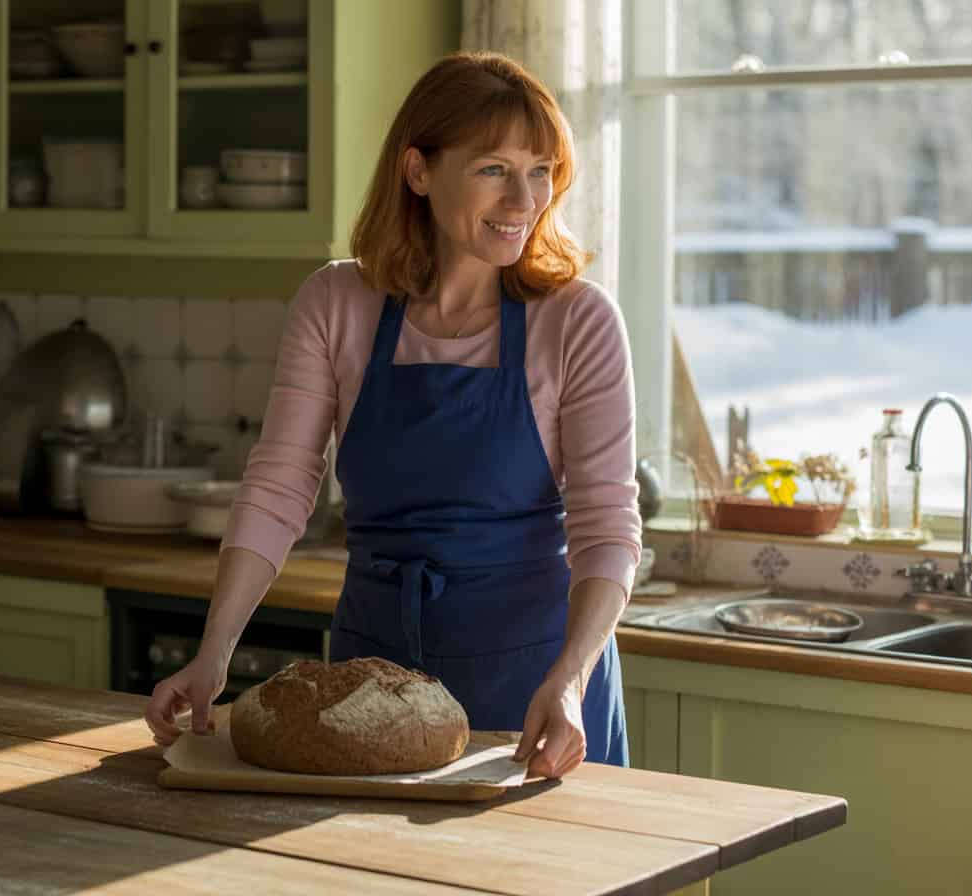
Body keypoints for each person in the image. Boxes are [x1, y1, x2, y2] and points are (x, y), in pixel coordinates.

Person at [145, 51, 642, 779]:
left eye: (541, 171)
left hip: (535, 685)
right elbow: (280, 486)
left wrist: (569, 682)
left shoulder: (576, 320)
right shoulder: (337, 304)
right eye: (494, 170)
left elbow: (607, 525)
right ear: (418, 172)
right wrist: (213, 652)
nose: (523, 200)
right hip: (367, 683)